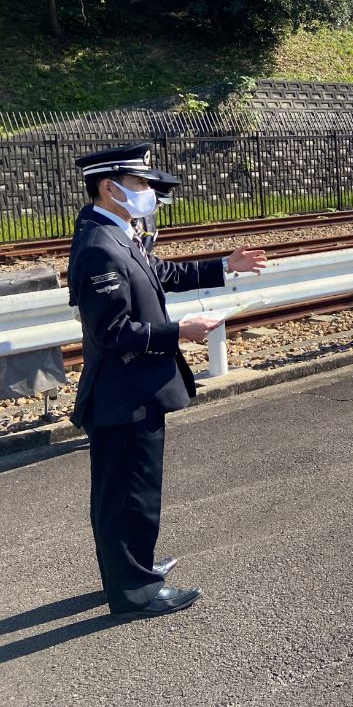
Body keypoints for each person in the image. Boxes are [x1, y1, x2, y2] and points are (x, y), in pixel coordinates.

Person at [68, 144, 267, 620]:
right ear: (108, 187)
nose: (149, 193)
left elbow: (160, 273)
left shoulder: (116, 234)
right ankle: (133, 592)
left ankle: (130, 570)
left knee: (135, 492)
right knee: (127, 495)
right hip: (123, 395)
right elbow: (112, 333)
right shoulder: (98, 245)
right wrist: (180, 332)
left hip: (136, 391)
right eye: (140, 185)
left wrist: (224, 266)